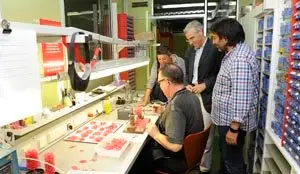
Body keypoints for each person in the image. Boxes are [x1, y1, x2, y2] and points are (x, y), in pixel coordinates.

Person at [133, 64, 204, 174]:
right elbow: (182, 116)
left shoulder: (176, 105)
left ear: (167, 82)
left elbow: (175, 146)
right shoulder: (191, 95)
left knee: (138, 158)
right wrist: (164, 111)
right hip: (192, 154)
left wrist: (155, 133)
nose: (159, 86)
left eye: (159, 82)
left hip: (177, 159)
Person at [210, 18, 259, 174]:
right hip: (228, 120)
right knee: (227, 158)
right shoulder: (234, 53)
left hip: (231, 123)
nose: (213, 42)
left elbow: (242, 96)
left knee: (233, 163)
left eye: (215, 38)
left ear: (225, 38)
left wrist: (233, 128)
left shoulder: (239, 60)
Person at [183, 20, 223, 173]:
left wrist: (205, 85)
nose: (191, 42)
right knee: (192, 132)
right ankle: (191, 162)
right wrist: (187, 83)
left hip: (207, 96)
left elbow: (220, 74)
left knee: (207, 136)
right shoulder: (190, 51)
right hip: (191, 95)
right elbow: (188, 73)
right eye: (188, 39)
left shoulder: (214, 48)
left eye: (192, 38)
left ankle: (204, 168)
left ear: (201, 32)